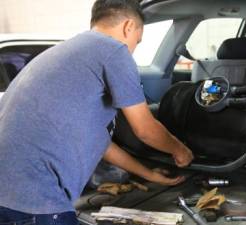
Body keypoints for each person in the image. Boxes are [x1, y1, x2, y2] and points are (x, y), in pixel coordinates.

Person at [0, 0, 193, 224]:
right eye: (137, 42)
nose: (132, 49)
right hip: (35, 198)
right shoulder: (114, 50)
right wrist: (180, 150)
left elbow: (101, 144)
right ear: (128, 26)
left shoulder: (69, 51)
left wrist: (148, 174)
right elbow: (145, 129)